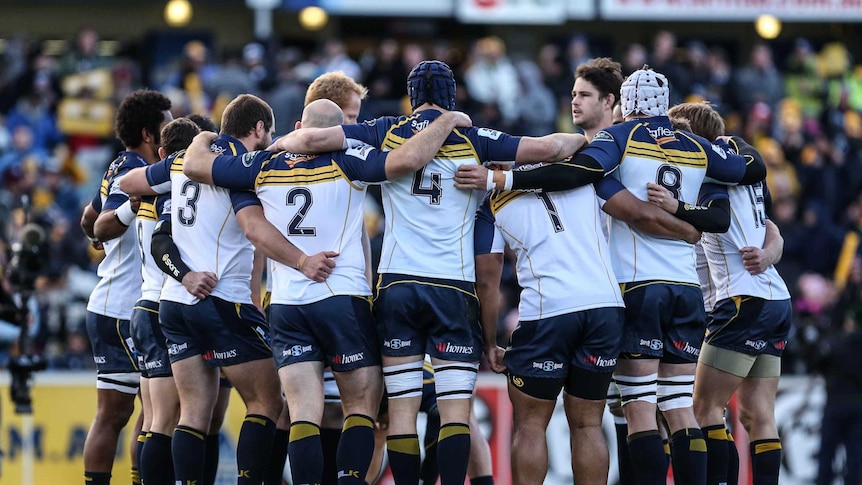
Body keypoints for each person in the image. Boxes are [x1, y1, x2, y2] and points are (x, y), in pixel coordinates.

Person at [271, 59, 586, 485]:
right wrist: (596, 139)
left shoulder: (385, 129)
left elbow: (309, 136)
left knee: (400, 409)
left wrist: (269, 152)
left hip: (397, 286)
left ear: (412, 97)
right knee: (456, 411)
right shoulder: (476, 139)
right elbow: (552, 147)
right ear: (454, 97)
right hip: (452, 288)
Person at [459, 67, 766, 485]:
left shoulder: (612, 148)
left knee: (619, 410)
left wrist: (503, 177)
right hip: (663, 294)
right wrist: (686, 219)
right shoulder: (687, 149)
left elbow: (489, 276)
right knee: (669, 406)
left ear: (620, 104)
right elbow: (745, 175)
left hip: (620, 293)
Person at [184, 97, 472, 485]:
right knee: (360, 408)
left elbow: (195, 166)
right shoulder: (351, 158)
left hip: (286, 304)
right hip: (341, 299)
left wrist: (204, 136)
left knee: (303, 411)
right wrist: (448, 121)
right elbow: (407, 160)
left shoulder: (262, 163)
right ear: (334, 131)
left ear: (301, 126)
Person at [127, 94, 284, 484]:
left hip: (174, 303)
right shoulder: (239, 165)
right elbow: (253, 227)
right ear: (259, 129)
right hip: (218, 299)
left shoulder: (182, 161)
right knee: (269, 402)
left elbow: (131, 181)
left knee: (192, 413)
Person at [649, 102, 791, 485]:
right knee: (757, 413)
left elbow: (717, 216)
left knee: (702, 408)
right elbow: (769, 223)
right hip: (776, 299)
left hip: (741, 301)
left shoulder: (711, 170)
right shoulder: (745, 169)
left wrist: (676, 206)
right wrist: (772, 250)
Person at [79, 89, 172, 485]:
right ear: (150, 133)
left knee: (124, 412)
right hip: (125, 309)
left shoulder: (120, 163)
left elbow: (89, 218)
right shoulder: (136, 170)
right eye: (168, 124)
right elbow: (100, 223)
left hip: (111, 303)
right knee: (145, 411)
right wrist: (122, 217)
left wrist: (100, 239)